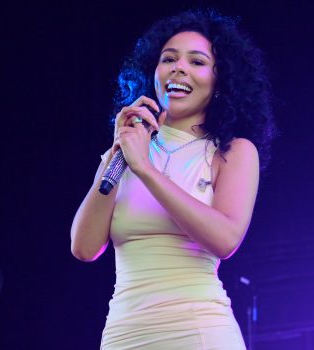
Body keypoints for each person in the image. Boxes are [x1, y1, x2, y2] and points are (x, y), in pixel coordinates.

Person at [71, 9, 276, 349]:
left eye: (196, 62)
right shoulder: (127, 150)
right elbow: (84, 247)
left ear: (220, 80)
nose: (179, 67)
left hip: (199, 332)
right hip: (125, 334)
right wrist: (117, 152)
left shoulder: (232, 152)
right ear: (154, 72)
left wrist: (146, 170)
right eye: (169, 59)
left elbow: (225, 239)